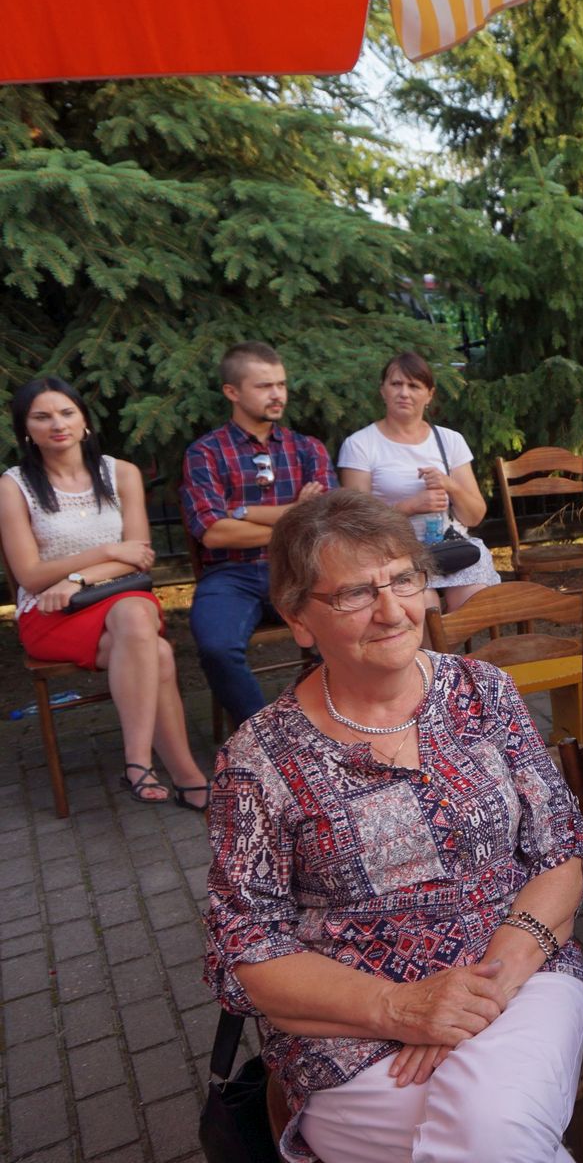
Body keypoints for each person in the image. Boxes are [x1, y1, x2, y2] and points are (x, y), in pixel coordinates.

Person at [204, 490, 583, 1163]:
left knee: (489, 1141)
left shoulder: (483, 692)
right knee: (490, 1149)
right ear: (297, 618)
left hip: (523, 974)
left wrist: (484, 991)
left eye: (404, 580)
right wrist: (401, 1008)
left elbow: (563, 848)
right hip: (349, 1035)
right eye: (356, 593)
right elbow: (245, 950)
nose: (391, 611)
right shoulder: (259, 759)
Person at [0, 378, 212, 811]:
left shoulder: (121, 474)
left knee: (133, 614)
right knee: (156, 652)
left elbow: (140, 558)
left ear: (85, 421)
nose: (57, 424)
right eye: (42, 417)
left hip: (117, 597)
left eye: (67, 413)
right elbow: (31, 576)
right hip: (52, 612)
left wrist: (78, 578)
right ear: (26, 430)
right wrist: (107, 551)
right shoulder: (13, 486)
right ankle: (185, 775)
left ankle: (139, 763)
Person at [182, 341, 335, 726]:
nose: (277, 394)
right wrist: (293, 515)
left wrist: (244, 514)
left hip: (302, 568)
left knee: (348, 627)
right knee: (217, 648)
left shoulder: (307, 449)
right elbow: (214, 533)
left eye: (281, 384)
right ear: (232, 392)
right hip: (232, 575)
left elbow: (325, 521)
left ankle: (335, 724)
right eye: (264, 386)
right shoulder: (205, 453)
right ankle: (262, 734)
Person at [337, 352, 501, 611]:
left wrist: (450, 485)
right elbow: (355, 524)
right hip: (393, 553)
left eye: (414, 386)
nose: (404, 393)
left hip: (451, 548)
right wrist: (410, 507)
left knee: (474, 602)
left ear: (429, 394)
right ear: (383, 390)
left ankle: (453, 639)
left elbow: (474, 516)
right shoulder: (360, 444)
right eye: (396, 384)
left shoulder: (450, 440)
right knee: (424, 607)